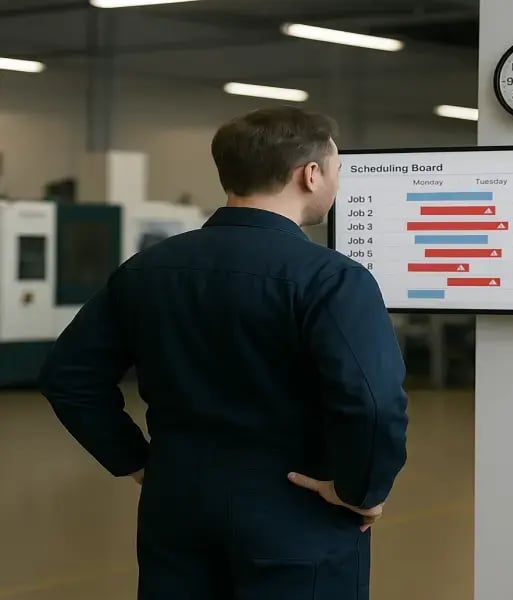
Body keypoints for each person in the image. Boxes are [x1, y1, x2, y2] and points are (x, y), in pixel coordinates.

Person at [39, 106, 409, 599]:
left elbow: (68, 375)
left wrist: (136, 460)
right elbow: (373, 402)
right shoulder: (333, 279)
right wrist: (360, 490)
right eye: (336, 170)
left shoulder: (146, 270)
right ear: (310, 174)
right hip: (298, 515)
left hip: (176, 510)